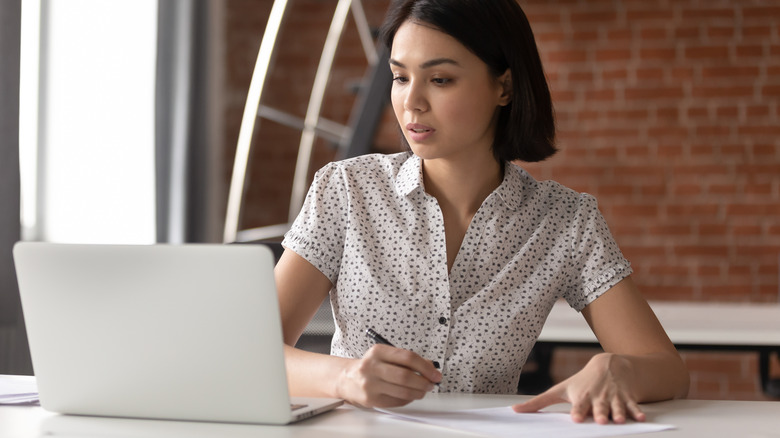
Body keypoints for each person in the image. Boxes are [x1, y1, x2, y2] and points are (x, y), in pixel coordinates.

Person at [274, 0, 689, 425]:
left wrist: (615, 369)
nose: (411, 103)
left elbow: (667, 370)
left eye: (440, 79)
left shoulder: (565, 221)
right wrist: (344, 377)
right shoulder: (345, 190)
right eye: (399, 77)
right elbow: (247, 352)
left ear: (504, 87)